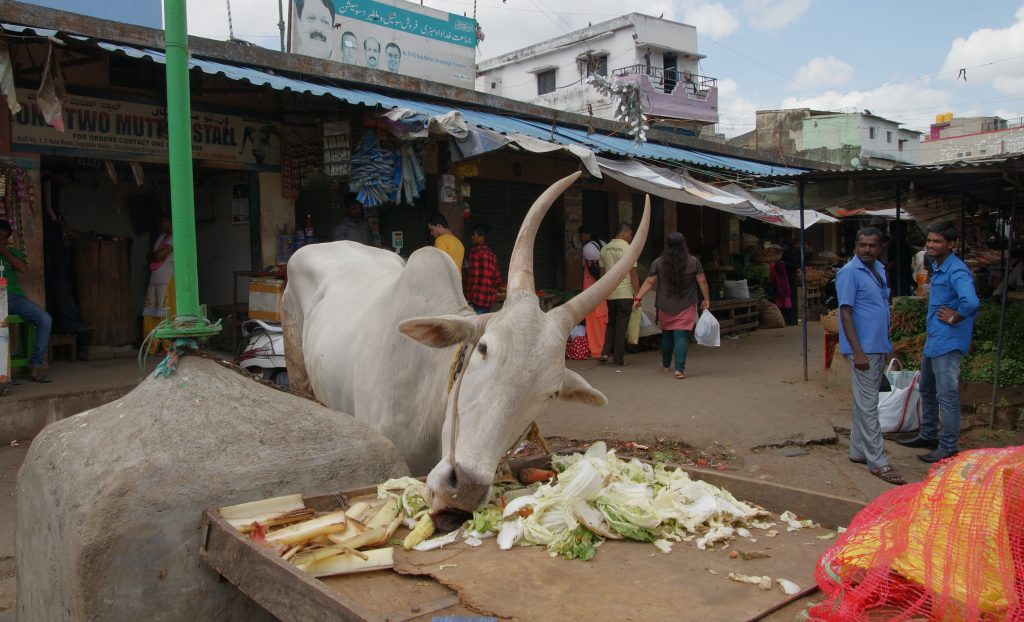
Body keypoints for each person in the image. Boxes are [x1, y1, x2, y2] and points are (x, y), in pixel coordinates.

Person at [898, 222, 979, 463]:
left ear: (951, 244)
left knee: (947, 394)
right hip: (935, 337)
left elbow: (972, 302)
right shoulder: (938, 265)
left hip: (949, 341)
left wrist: (956, 316)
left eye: (937, 242)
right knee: (926, 389)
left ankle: (948, 445)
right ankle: (929, 434)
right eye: (930, 241)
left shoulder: (956, 270)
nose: (931, 245)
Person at [835, 227, 905, 485]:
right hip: (862, 349)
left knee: (864, 402)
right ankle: (878, 462)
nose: (866, 249)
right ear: (855, 245)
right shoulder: (849, 273)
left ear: (880, 248)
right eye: (862, 245)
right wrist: (857, 350)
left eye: (872, 246)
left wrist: (885, 346)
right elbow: (845, 312)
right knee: (868, 406)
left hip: (877, 346)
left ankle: (858, 450)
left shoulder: (879, 269)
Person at [633, 232, 710, 379]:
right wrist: (706, 299)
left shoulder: (658, 262)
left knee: (667, 335)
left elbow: (649, 282)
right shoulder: (694, 262)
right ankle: (679, 369)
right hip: (686, 304)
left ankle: (666, 365)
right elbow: (702, 281)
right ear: (684, 245)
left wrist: (638, 298)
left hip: (664, 305)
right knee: (681, 336)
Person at [0, 219, 53, 383]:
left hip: (15, 298)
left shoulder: (11, 251)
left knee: (45, 319)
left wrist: (3, 251)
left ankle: (35, 364)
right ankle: (3, 373)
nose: (0, 239)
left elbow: (22, 268)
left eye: (3, 237)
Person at [598, 222, 639, 367]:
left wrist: (604, 293)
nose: (631, 237)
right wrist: (638, 295)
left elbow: (603, 275)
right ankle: (618, 359)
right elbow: (633, 275)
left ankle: (604, 352)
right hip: (625, 293)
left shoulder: (604, 249)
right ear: (623, 233)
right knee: (622, 326)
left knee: (611, 324)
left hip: (611, 294)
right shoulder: (629, 249)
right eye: (630, 234)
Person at [142, 215, 175, 354]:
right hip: (155, 281)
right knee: (153, 312)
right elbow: (150, 256)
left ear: (169, 221)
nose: (160, 224)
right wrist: (154, 256)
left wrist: (154, 256)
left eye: (162, 221)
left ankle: (168, 346)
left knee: (166, 312)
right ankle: (153, 345)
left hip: (167, 279)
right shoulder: (161, 237)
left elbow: (157, 255)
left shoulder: (175, 237)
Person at [579, 226, 607, 358]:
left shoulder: (588, 248)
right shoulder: (603, 244)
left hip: (591, 285)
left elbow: (592, 266)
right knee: (602, 316)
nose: (581, 239)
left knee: (593, 317)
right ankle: (604, 347)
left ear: (586, 234)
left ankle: (596, 349)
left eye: (581, 235)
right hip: (604, 286)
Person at [464, 225, 501, 314]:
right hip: (488, 302)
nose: (471, 237)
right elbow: (497, 280)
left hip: (476, 300)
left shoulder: (475, 252)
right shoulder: (492, 255)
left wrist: (467, 298)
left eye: (474, 235)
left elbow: (473, 278)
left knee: (473, 327)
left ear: (481, 237)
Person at [780, 239, 800, 325]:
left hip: (791, 279)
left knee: (792, 299)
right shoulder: (785, 253)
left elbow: (795, 265)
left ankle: (792, 320)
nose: (784, 247)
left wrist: (785, 264)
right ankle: (788, 319)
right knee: (787, 300)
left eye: (785, 245)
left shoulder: (792, 254)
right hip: (786, 279)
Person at [768, 254, 793, 322]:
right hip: (783, 289)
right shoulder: (780, 265)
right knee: (785, 305)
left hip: (782, 289)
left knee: (783, 305)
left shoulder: (779, 265)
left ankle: (787, 319)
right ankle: (786, 319)